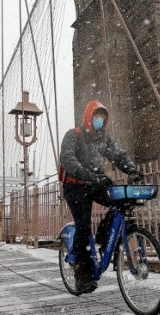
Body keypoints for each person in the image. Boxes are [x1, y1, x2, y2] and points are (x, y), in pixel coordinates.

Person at [58, 100, 143, 293]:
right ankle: (82, 275)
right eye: (96, 116)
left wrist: (132, 170)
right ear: (88, 117)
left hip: (95, 183)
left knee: (119, 202)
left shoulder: (104, 139)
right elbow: (67, 159)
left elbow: (119, 155)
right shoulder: (74, 135)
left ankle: (103, 240)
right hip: (75, 186)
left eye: (103, 118)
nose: (100, 121)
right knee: (83, 225)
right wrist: (87, 174)